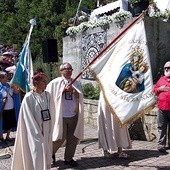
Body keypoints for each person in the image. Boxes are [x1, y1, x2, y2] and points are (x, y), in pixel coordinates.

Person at [11, 71, 53, 170]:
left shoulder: (47, 95)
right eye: (43, 82)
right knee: (37, 152)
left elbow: (51, 112)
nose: (46, 84)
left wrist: (48, 127)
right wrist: (38, 131)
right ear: (36, 83)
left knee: (46, 152)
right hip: (34, 132)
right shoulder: (28, 97)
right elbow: (27, 117)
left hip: (46, 130)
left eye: (46, 82)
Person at [46, 62, 84, 167]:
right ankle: (51, 153)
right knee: (59, 138)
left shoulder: (76, 82)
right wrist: (63, 91)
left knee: (72, 138)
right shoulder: (55, 83)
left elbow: (80, 97)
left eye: (71, 69)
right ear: (61, 71)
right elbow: (49, 96)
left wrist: (73, 91)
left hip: (73, 115)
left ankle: (68, 158)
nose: (69, 71)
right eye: (67, 69)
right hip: (60, 115)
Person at [98, 92, 132, 158]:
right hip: (105, 99)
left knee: (119, 126)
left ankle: (120, 151)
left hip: (116, 99)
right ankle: (105, 151)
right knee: (105, 124)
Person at [154, 61, 170, 153]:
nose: (167, 69)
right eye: (166, 68)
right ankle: (161, 145)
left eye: (169, 68)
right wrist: (160, 89)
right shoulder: (161, 80)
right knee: (161, 127)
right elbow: (155, 90)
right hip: (162, 108)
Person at [0, 71, 20, 141]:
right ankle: (1, 136)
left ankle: (8, 136)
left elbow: (16, 92)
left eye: (6, 77)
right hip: (3, 108)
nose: (6, 78)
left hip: (11, 106)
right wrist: (2, 100)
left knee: (10, 122)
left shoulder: (9, 85)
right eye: (5, 77)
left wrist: (14, 86)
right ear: (1, 79)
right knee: (2, 122)